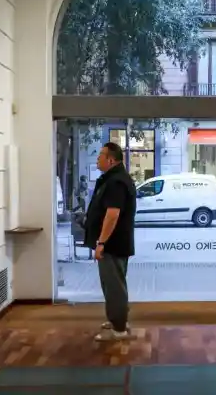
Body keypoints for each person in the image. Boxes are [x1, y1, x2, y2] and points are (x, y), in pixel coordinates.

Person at [82, 142, 137, 341]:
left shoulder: (116, 182)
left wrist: (101, 243)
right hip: (114, 243)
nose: (97, 159)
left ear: (111, 160)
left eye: (101, 155)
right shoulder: (113, 179)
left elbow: (112, 215)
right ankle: (117, 320)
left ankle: (119, 329)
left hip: (113, 244)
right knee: (113, 285)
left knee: (114, 287)